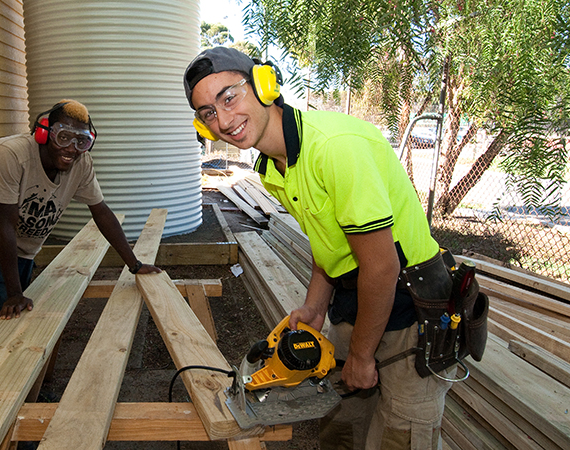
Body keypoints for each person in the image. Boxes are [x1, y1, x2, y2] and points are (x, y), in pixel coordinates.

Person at [183, 47, 452, 449]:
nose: (222, 120)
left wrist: (362, 357)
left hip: (409, 302)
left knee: (401, 430)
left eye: (229, 96)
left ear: (263, 84)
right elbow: (328, 243)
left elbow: (382, 268)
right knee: (343, 422)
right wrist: (314, 307)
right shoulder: (274, 166)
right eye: (207, 113)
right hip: (354, 298)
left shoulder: (334, 147)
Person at [0, 99, 160, 338]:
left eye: (81, 141)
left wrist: (134, 264)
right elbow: (5, 226)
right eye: (63, 137)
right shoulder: (9, 156)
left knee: (19, 308)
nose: (71, 149)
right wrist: (13, 293)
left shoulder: (81, 163)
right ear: (44, 133)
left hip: (23, 242)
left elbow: (101, 212)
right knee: (0, 311)